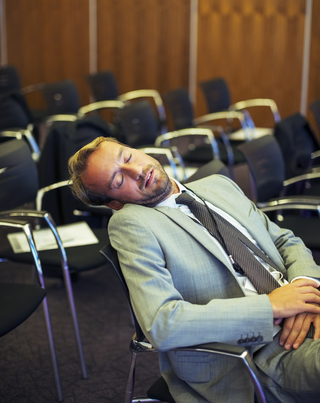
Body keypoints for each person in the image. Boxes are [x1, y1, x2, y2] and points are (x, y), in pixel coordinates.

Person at [68, 136, 320, 403]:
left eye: (128, 157)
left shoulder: (219, 185)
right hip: (263, 349)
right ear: (114, 203)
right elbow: (162, 324)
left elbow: (283, 240)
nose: (137, 171)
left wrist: (308, 291)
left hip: (305, 301)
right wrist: (272, 307)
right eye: (118, 181)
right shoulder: (133, 224)